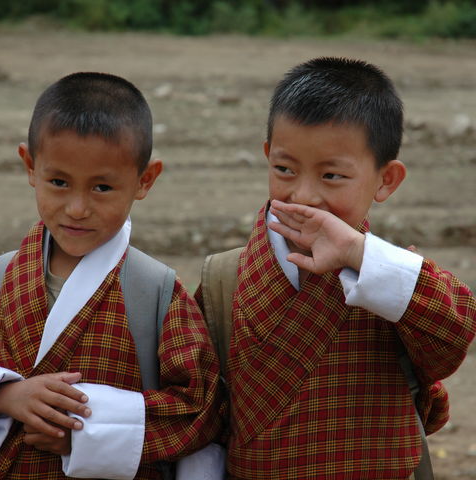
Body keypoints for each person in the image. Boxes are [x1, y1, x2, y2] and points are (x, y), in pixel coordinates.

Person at [196, 57, 476, 479]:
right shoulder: (223, 280)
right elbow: (200, 417)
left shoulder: (392, 279)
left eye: (331, 176)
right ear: (267, 156)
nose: (304, 195)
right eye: (285, 170)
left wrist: (359, 255)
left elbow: (458, 330)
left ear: (386, 180)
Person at [0, 72, 223, 479]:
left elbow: (200, 409)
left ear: (145, 180)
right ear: (30, 167)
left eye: (101, 187)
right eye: (59, 182)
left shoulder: (155, 291)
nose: (78, 208)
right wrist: (6, 394)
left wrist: (89, 434)